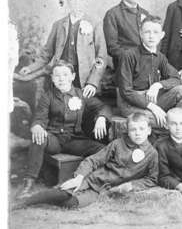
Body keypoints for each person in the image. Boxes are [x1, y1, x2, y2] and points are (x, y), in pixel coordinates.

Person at [15, 112, 158, 209]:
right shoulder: (118, 144)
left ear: (149, 130)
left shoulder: (152, 154)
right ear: (128, 130)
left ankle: (50, 200)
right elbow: (93, 160)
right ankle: (25, 203)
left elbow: (152, 179)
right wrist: (79, 177)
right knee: (64, 192)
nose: (138, 133)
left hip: (104, 190)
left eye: (141, 129)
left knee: (72, 204)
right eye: (133, 129)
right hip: (93, 180)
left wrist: (131, 185)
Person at [19, 61, 112, 198]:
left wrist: (101, 118)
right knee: (38, 137)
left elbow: (104, 107)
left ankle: (94, 181)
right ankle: (29, 183)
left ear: (73, 76)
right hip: (54, 139)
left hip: (75, 140)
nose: (61, 78)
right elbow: (40, 117)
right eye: (57, 75)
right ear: (52, 78)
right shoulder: (47, 96)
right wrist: (38, 127)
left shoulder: (81, 95)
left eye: (65, 75)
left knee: (102, 149)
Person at [18, 0, 108, 99]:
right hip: (61, 76)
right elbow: (47, 54)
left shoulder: (95, 24)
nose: (76, 2)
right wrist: (31, 68)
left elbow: (101, 58)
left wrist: (92, 82)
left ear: (86, 1)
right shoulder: (58, 25)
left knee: (81, 110)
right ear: (67, 0)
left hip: (83, 80)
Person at [118, 16, 182, 133]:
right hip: (131, 104)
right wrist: (154, 107)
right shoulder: (128, 55)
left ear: (162, 35)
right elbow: (126, 92)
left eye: (155, 32)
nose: (151, 36)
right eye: (147, 32)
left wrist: (158, 85)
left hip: (152, 97)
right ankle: (173, 139)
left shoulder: (160, 57)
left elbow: (176, 78)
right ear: (140, 34)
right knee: (168, 121)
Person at [103, 0, 150, 70]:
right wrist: (130, 57)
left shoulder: (145, 13)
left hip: (146, 63)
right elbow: (111, 46)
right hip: (125, 65)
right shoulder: (113, 14)